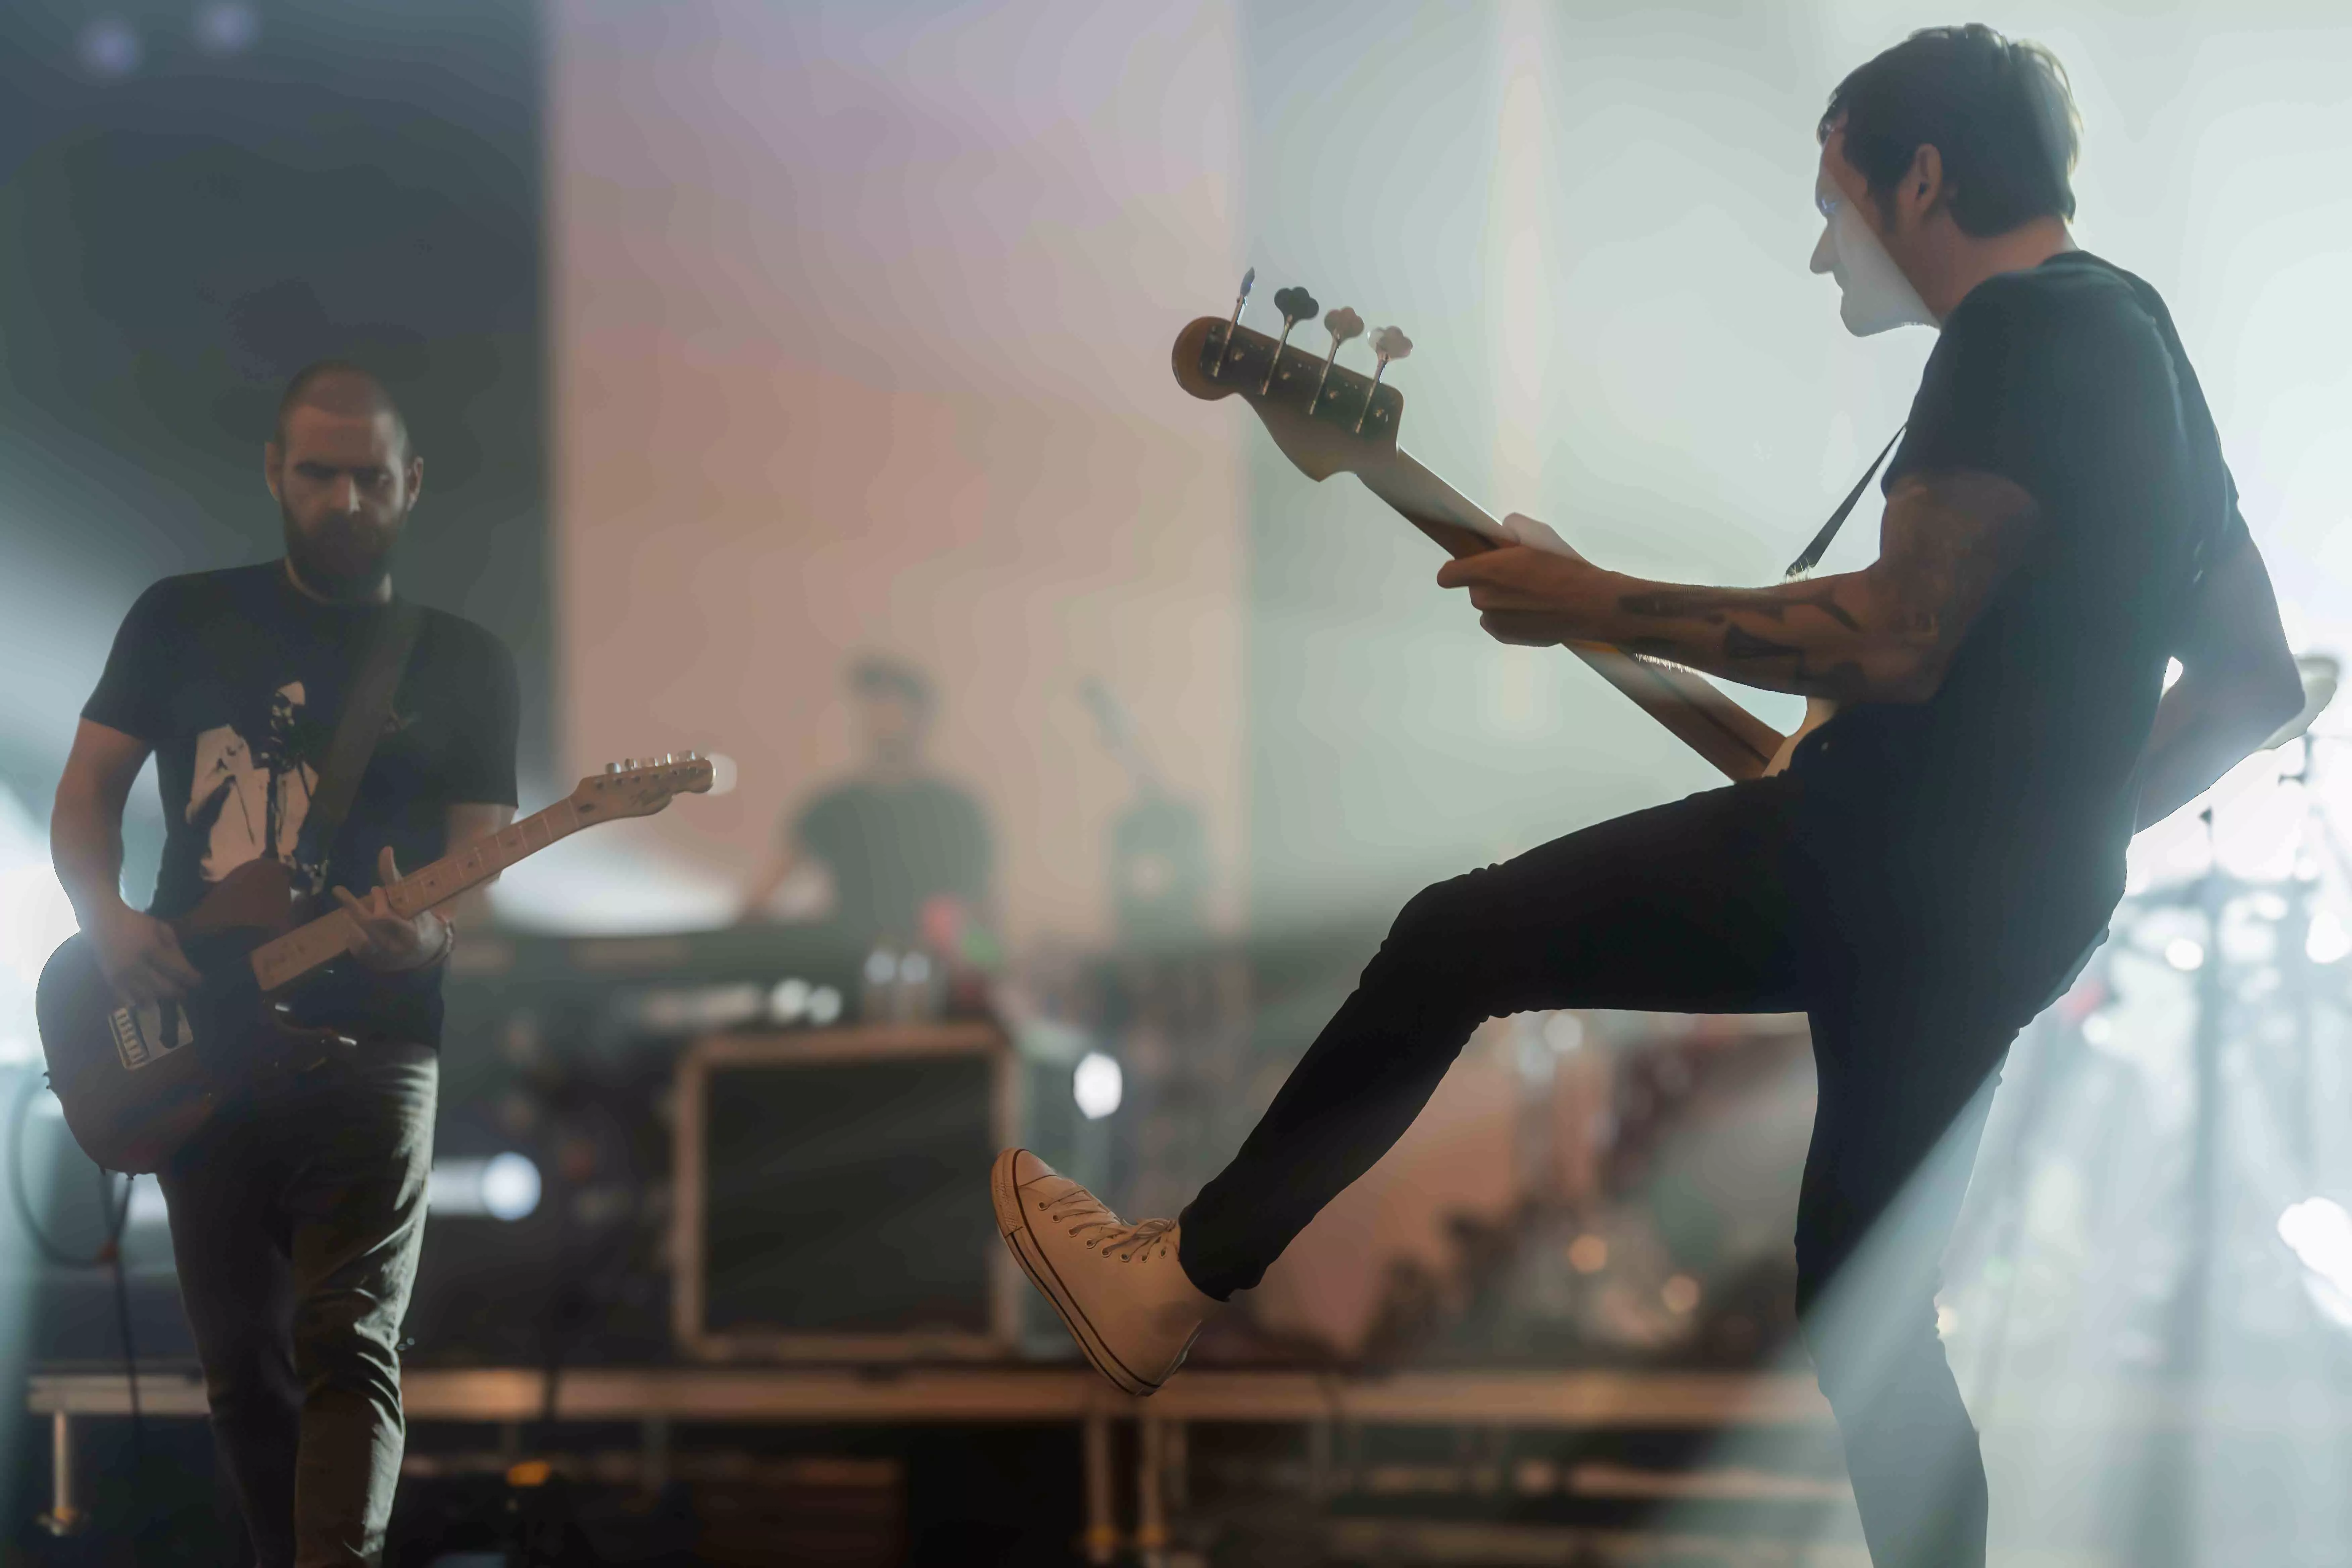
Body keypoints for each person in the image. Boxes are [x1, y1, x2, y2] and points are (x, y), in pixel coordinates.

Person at [989, 27, 2304, 1568]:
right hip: (2005, 912)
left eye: (1837, 201)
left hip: (1882, 866)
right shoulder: (2135, 335)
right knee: (1862, 1302)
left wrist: (1595, 598)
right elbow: (2249, 688)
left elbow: (1892, 632)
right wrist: (2052, 834)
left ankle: (1178, 1277)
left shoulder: (2011, 334)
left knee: (1456, 938)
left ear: (1924, 176)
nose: (1825, 251)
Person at [50, 361, 519, 1567]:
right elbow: (88, 795)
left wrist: (433, 929)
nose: (346, 496)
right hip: (203, 1028)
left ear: (412, 483)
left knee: (348, 1336)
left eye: (373, 475)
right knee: (240, 1366)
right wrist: (105, 918)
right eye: (320, 471)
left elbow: (474, 858)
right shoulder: (179, 616)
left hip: (378, 1037)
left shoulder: (465, 660)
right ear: (275, 472)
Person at [738, 654, 994, 954]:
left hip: (934, 976)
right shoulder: (833, 807)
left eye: (891, 704)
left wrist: (978, 961)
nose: (879, 716)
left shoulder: (958, 811)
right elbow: (762, 898)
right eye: (873, 704)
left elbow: (985, 917)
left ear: (921, 716)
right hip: (845, 972)